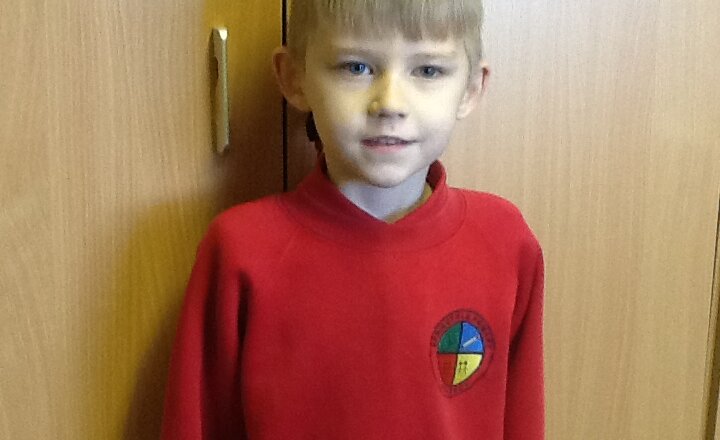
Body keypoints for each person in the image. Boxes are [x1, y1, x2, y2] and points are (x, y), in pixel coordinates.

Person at [161, 0, 545, 438]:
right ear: (294, 77)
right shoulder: (240, 251)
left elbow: (523, 419)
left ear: (472, 88)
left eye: (428, 70)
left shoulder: (504, 240)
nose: (390, 104)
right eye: (356, 67)